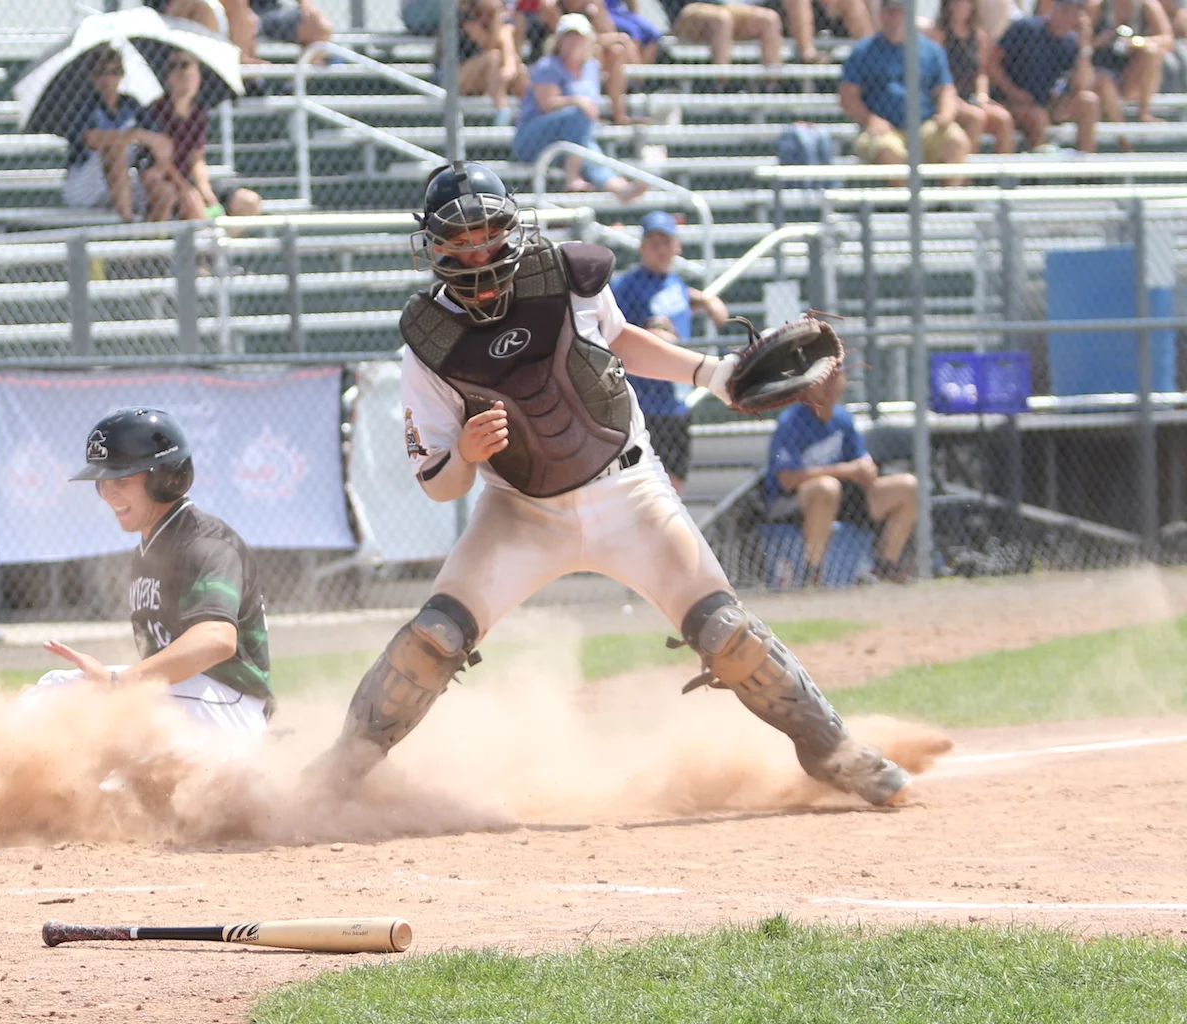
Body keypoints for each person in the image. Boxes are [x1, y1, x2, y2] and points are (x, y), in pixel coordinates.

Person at [303, 162, 912, 808]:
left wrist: (712, 373)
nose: (476, 253)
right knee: (435, 638)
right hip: (519, 512)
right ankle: (335, 775)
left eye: (486, 235)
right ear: (434, 248)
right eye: (459, 241)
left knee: (726, 632)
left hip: (631, 494)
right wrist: (466, 454)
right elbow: (439, 485)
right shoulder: (429, 343)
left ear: (512, 229)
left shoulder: (567, 277)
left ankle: (832, 749)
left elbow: (617, 339)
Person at [30, 407, 274, 741]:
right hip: (197, 707)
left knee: (62, 690)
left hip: (229, 708)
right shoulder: (149, 553)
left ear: (165, 478)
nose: (108, 493)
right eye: (102, 482)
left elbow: (217, 638)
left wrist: (119, 684)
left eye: (121, 480)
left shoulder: (206, 544)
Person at [609, 211, 728, 496]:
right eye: (654, 243)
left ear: (677, 246)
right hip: (642, 402)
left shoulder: (674, 282)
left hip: (676, 401)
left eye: (666, 242)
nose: (660, 249)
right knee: (637, 480)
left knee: (675, 481)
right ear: (642, 247)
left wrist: (706, 300)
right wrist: (652, 335)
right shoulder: (626, 285)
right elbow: (613, 330)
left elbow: (677, 296)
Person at [765, 367, 918, 585]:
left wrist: (866, 470)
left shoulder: (842, 419)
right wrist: (845, 470)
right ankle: (812, 574)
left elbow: (861, 463)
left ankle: (884, 566)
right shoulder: (791, 422)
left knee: (907, 487)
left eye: (836, 377)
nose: (830, 384)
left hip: (843, 497)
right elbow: (787, 480)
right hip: (792, 502)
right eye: (823, 378)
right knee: (826, 488)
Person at [512, 14, 646, 201]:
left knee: (585, 145)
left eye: (579, 37)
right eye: (568, 37)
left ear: (588, 41)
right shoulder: (548, 66)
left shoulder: (591, 67)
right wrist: (577, 101)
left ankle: (618, 187)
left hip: (567, 143)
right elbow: (546, 104)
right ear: (559, 41)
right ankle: (573, 177)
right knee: (579, 117)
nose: (573, 42)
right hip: (533, 140)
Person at [839, 0, 971, 169]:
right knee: (887, 150)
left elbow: (946, 89)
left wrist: (946, 113)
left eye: (902, 12)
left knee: (956, 141)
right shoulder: (863, 52)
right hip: (884, 128)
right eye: (891, 12)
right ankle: (907, 187)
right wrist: (870, 120)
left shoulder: (931, 50)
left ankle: (950, 187)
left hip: (925, 125)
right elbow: (848, 97)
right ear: (881, 15)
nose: (896, 18)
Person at [139, 53, 263, 221]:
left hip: (189, 177)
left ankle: (219, 236)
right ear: (168, 78)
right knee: (191, 204)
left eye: (189, 69)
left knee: (249, 202)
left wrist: (206, 192)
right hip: (165, 177)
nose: (184, 75)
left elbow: (196, 158)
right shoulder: (156, 111)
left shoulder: (198, 113)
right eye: (176, 68)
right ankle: (207, 235)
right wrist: (187, 189)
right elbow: (163, 162)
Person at [63, 50, 176, 223]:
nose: (109, 78)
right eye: (102, 72)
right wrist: (135, 134)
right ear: (93, 77)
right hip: (85, 185)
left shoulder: (130, 104)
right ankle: (128, 223)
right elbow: (92, 139)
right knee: (115, 150)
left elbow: (163, 142)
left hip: (124, 183)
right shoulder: (83, 103)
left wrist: (158, 167)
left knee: (165, 192)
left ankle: (152, 237)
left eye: (115, 72)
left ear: (122, 75)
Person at [987, 0, 1100, 153]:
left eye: (1076, 13)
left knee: (1088, 101)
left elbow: (1082, 85)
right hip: (1011, 101)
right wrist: (1013, 92)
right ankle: (1040, 162)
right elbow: (991, 64)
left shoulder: (1071, 42)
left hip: (1048, 103)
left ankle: (1086, 162)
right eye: (1065, 11)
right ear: (1055, 10)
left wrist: (1084, 47)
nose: (1070, 17)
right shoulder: (1025, 28)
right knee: (1038, 116)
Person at [927, 0, 1017, 154]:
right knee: (976, 118)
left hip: (971, 97)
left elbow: (981, 73)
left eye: (966, 2)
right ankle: (965, 167)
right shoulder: (939, 35)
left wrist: (982, 96)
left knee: (1003, 119)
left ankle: (1004, 168)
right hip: (947, 97)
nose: (960, 5)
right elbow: (934, 75)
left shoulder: (978, 36)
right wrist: (952, 99)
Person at [442, 0, 528, 126]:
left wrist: (510, 66)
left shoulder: (502, 14)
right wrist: (498, 17)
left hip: (490, 74)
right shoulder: (465, 13)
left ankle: (529, 109)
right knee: (493, 58)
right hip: (454, 76)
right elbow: (491, 44)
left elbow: (507, 43)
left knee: (519, 68)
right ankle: (501, 108)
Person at [1089, 0, 1172, 128]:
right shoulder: (1098, 6)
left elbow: (1167, 39)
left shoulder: (1146, 5)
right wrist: (1099, 41)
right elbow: (1080, 42)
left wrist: (1136, 42)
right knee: (1103, 80)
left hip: (1131, 75)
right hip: (1103, 71)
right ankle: (1122, 133)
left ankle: (1144, 113)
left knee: (1151, 53)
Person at [659, 0, 787, 72]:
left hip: (725, 7)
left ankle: (772, 90)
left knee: (769, 20)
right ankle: (721, 88)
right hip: (688, 12)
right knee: (721, 20)